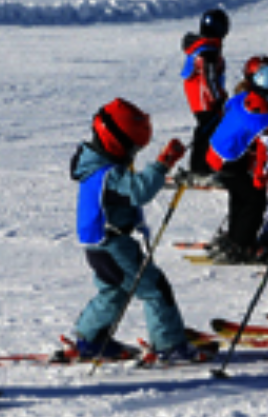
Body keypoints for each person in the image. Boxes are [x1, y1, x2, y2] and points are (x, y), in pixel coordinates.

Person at [68, 98, 216, 364]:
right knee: (155, 289)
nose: (133, 153)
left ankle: (89, 339)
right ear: (115, 141)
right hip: (114, 246)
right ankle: (169, 345)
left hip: (98, 246)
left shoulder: (94, 166)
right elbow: (139, 191)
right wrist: (162, 164)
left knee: (114, 292)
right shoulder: (106, 174)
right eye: (132, 147)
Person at [205, 60, 268, 264]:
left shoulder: (242, 99)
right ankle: (243, 245)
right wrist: (260, 181)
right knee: (254, 201)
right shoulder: (265, 122)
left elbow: (228, 108)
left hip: (216, 153)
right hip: (231, 161)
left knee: (239, 196)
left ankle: (235, 237)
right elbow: (266, 156)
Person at [180, 8, 231, 183]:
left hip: (201, 99)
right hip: (205, 100)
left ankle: (204, 166)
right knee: (207, 130)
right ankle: (200, 169)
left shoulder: (204, 47)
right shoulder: (208, 51)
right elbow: (209, 78)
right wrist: (218, 99)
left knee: (208, 129)